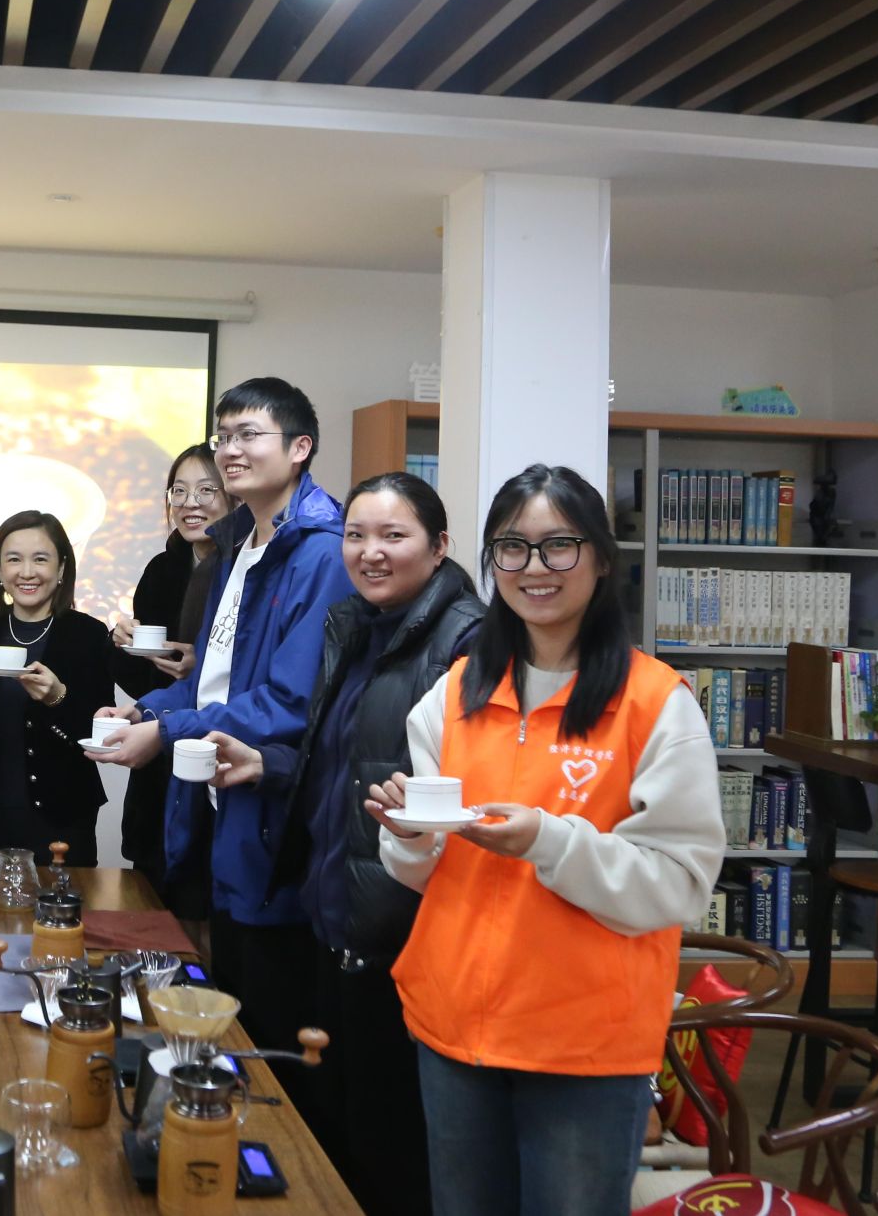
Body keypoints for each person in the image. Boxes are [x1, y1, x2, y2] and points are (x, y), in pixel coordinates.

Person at [367, 463, 723, 1216]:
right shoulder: (456, 692)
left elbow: (680, 882)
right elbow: (423, 870)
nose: (535, 567)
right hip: (454, 1027)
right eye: (513, 547)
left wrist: (549, 843)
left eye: (559, 545)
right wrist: (408, 836)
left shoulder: (655, 703)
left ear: (600, 557)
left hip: (584, 1043)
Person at [211, 471, 482, 1216]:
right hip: (336, 919)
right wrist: (271, 765)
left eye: (394, 535)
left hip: (404, 933)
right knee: (335, 1138)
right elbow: (346, 760)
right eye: (357, 535)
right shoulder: (355, 624)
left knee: (392, 1153)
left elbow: (469, 791)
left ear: (439, 546)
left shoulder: (467, 642)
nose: (370, 552)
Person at [97, 377, 353, 1067]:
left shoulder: (321, 552)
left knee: (264, 1031)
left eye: (249, 435)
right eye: (224, 436)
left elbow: (288, 702)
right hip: (217, 801)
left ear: (299, 448)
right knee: (213, 1015)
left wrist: (164, 733)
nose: (231, 450)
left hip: (275, 814)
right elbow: (216, 680)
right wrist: (147, 710)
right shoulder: (236, 545)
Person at [0, 510, 115, 865]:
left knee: (64, 901)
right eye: (13, 560)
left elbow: (100, 733)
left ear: (62, 568)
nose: (27, 572)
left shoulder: (89, 634)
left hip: (64, 815)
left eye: (40, 559)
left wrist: (57, 698)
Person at [110, 444, 234, 910]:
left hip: (218, 755)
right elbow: (141, 680)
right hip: (158, 755)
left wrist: (200, 668)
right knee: (148, 901)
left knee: (201, 908)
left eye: (206, 490)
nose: (189, 503)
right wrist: (120, 643)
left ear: (234, 495)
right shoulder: (162, 570)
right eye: (178, 491)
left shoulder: (246, 570)